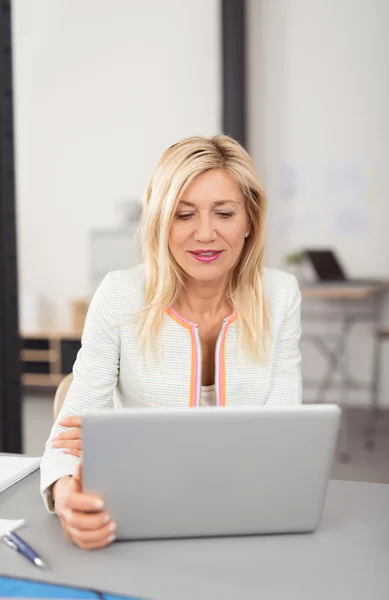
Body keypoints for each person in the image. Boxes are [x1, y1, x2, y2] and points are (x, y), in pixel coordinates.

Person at [41, 134, 302, 550]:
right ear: (161, 221)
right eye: (184, 214)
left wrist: (126, 441)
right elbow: (66, 436)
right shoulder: (120, 294)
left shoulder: (281, 295)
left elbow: (284, 438)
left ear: (250, 218)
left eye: (224, 213)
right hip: (138, 512)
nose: (204, 234)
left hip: (246, 513)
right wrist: (65, 495)